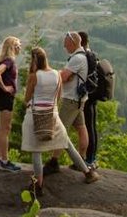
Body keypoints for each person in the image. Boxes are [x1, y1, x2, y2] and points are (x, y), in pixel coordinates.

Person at [19, 47, 88, 198]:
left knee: (36, 151)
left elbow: (26, 98)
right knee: (67, 145)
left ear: (34, 60)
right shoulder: (57, 74)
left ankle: (38, 185)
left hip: (35, 115)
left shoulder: (34, 76)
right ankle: (87, 172)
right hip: (53, 114)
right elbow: (59, 97)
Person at [47, 31, 100, 182]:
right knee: (81, 128)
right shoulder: (84, 56)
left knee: (60, 130)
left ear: (73, 42)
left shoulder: (77, 58)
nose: (64, 46)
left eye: (65, 43)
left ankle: (54, 161)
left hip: (71, 100)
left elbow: (63, 77)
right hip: (80, 99)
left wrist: (53, 74)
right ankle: (82, 159)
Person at [0, 35, 23, 172]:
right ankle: (4, 160)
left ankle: (0, 158)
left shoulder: (6, 61)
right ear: (12, 47)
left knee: (3, 128)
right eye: (18, 45)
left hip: (4, 97)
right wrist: (5, 88)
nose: (20, 47)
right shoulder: (9, 61)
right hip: (6, 97)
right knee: (5, 128)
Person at [78, 30, 102, 174]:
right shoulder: (92, 53)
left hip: (87, 95)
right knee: (91, 126)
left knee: (87, 126)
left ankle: (88, 159)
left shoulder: (84, 56)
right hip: (94, 93)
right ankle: (92, 158)